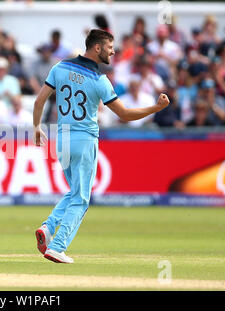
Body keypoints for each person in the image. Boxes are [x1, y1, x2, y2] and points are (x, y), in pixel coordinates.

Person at [32, 29, 170, 263]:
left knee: (75, 191)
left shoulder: (60, 67)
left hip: (62, 139)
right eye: (109, 47)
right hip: (84, 140)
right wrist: (155, 108)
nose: (113, 51)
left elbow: (39, 100)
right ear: (97, 48)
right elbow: (124, 114)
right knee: (82, 199)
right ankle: (58, 245)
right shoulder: (100, 80)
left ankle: (49, 226)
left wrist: (36, 127)